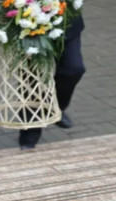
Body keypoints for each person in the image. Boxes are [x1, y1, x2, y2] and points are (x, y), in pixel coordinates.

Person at [18, 16, 85, 150]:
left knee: (74, 69)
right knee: (33, 77)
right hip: (29, 23)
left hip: (66, 21)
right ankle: (30, 132)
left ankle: (54, 107)